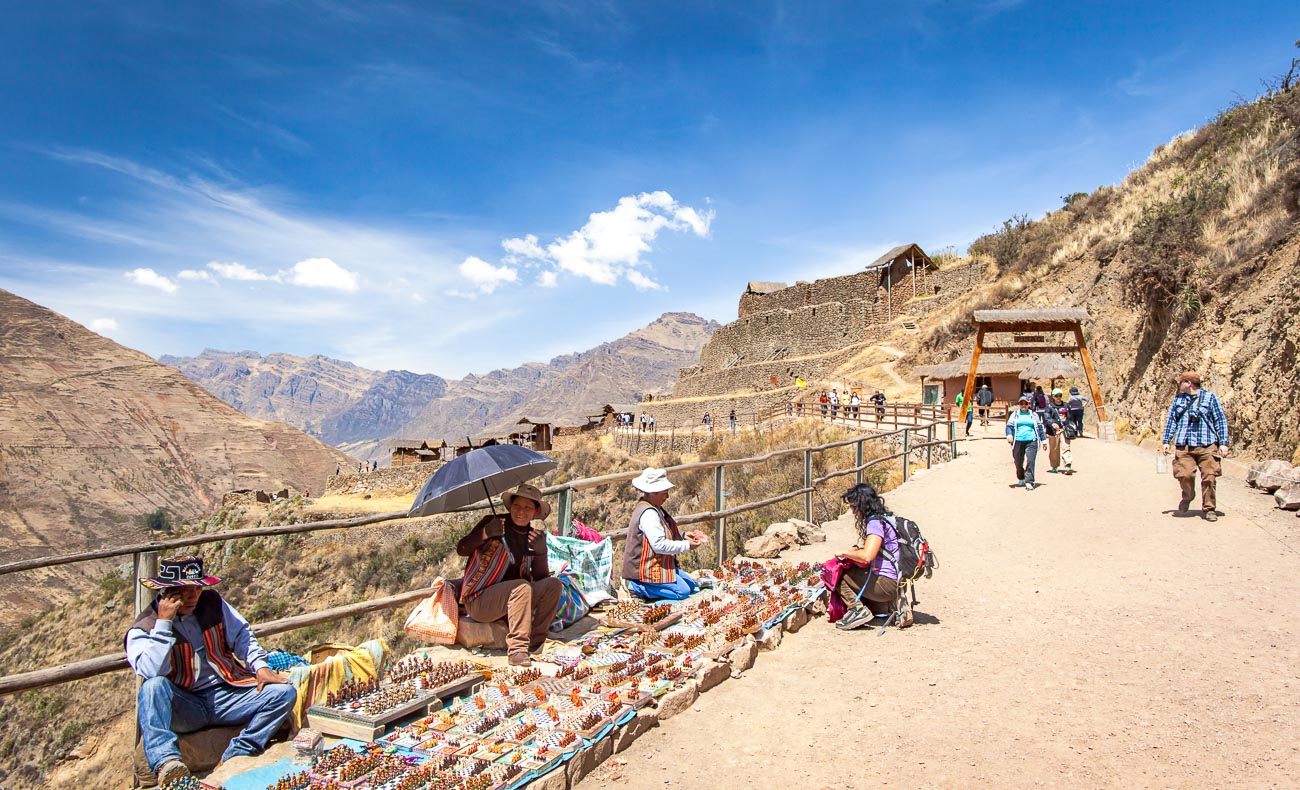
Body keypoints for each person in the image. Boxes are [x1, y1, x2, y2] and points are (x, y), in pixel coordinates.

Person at [126, 556, 296, 785]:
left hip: (226, 693)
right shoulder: (145, 626)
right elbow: (151, 670)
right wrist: (164, 623)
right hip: (186, 704)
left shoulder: (212, 603)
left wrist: (260, 667)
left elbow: (242, 635)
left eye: (197, 588)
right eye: (184, 590)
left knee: (284, 693)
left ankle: (236, 753)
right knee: (152, 687)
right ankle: (166, 762)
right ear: (167, 591)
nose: (192, 596)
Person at [456, 483, 562, 666]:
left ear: (535, 512)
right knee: (521, 587)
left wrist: (541, 552)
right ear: (510, 507)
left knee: (553, 585)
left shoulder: (533, 537)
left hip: (514, 599)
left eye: (527, 507)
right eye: (517, 506)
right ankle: (517, 650)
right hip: (481, 600)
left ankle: (535, 640)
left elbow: (540, 578)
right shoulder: (494, 523)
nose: (521, 512)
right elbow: (462, 548)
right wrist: (485, 533)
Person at [622, 468, 708, 601]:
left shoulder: (654, 508)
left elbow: (660, 532)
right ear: (653, 493)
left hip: (658, 562)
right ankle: (636, 586)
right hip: (645, 568)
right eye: (664, 493)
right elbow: (659, 545)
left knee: (690, 585)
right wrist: (686, 545)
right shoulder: (649, 514)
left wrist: (683, 535)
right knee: (682, 591)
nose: (667, 497)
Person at [1160, 372, 1230, 522]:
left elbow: (1220, 420)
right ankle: (1188, 495)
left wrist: (1223, 443)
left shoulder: (1210, 398)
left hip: (1207, 444)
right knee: (1184, 475)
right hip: (1184, 445)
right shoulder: (1178, 400)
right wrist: (1166, 441)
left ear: (1188, 383)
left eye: (1181, 382)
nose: (1179, 385)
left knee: (1209, 478)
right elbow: (1171, 420)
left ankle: (1209, 508)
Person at [830, 483, 900, 630]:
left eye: (854, 507)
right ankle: (880, 605)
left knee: (836, 574)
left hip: (886, 583)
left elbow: (867, 556)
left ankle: (857, 610)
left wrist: (844, 552)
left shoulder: (875, 523)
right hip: (896, 581)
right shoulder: (886, 518)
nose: (854, 512)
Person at [1006, 394, 1048, 490]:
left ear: (1029, 404)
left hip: (1031, 440)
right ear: (1019, 404)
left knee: (1031, 460)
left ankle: (1029, 481)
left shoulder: (1033, 415)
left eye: (1025, 403)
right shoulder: (1015, 414)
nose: (1023, 405)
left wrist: (1044, 441)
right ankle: (1021, 477)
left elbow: (1040, 428)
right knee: (1018, 461)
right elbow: (1009, 426)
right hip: (1018, 440)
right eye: (1021, 403)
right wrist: (1009, 435)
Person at [1044, 389, 1075, 475]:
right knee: (1054, 449)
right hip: (1053, 431)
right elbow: (1047, 417)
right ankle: (1054, 466)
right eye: (1056, 395)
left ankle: (1068, 465)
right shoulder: (1049, 406)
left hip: (1064, 429)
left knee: (1066, 447)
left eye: (1060, 395)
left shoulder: (1066, 405)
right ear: (1053, 396)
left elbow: (1070, 417)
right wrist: (1052, 423)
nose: (1058, 397)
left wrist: (1071, 426)